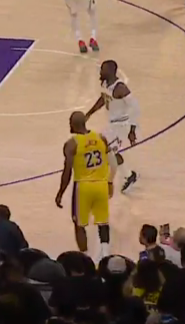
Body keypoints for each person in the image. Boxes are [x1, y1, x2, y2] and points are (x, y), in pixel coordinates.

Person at [55, 111, 118, 258]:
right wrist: (109, 182)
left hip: (83, 187)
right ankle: (105, 254)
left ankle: (85, 256)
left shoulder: (71, 144)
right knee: (103, 222)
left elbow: (67, 172)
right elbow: (113, 163)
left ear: (73, 124)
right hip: (101, 185)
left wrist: (60, 193)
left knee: (79, 225)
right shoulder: (101, 138)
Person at [85, 59, 141, 192]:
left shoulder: (120, 88)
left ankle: (128, 176)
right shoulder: (106, 84)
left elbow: (135, 108)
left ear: (111, 71)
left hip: (121, 125)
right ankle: (127, 174)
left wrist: (132, 130)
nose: (100, 71)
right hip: (112, 125)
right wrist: (89, 113)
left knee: (108, 151)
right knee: (105, 149)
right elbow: (103, 99)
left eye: (103, 69)